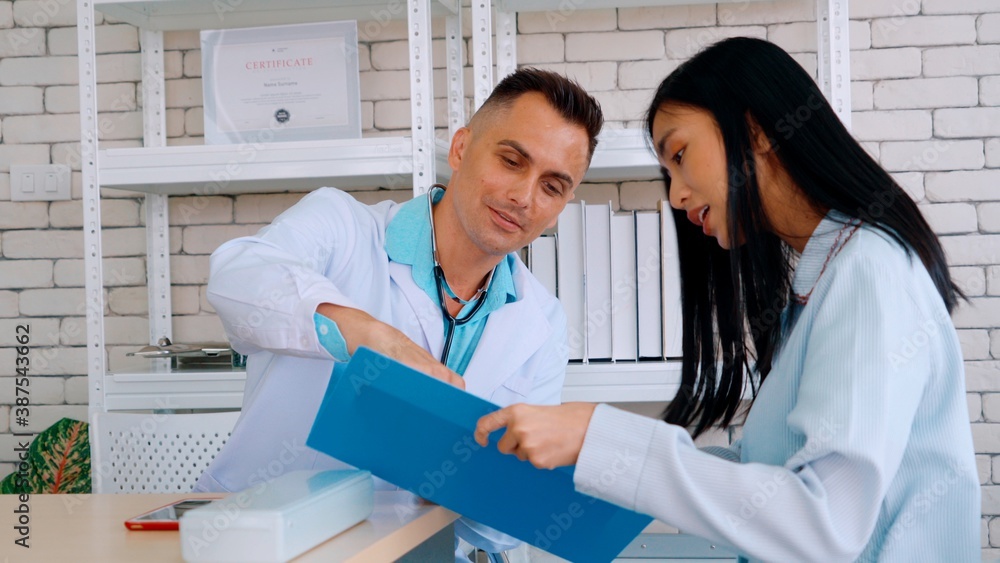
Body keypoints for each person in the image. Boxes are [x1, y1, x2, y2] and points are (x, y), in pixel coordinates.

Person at [475, 37, 980, 562]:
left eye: (680, 154)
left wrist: (600, 436)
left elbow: (824, 524)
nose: (675, 196)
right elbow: (772, 487)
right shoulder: (820, 287)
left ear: (757, 131)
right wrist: (600, 458)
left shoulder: (869, 270)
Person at [194, 67, 603, 559]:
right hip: (265, 546)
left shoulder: (542, 321)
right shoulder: (341, 227)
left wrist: (455, 478)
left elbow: (501, 532)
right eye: (512, 160)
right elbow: (238, 275)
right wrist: (366, 334)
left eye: (552, 187)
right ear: (460, 149)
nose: (524, 198)